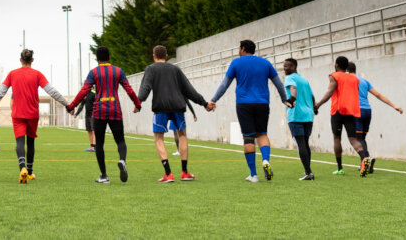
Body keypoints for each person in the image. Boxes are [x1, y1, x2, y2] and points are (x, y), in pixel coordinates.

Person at [207, 39, 290, 183]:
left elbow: (224, 84)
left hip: (244, 104)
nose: (238, 50)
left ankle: (254, 175)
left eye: (239, 48)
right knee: (262, 134)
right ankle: (265, 160)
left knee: (248, 138)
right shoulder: (265, 63)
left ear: (243, 48)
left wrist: (213, 100)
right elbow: (278, 83)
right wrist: (284, 99)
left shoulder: (236, 63)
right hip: (262, 103)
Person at [0, 49, 69, 183]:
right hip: (32, 114)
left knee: (19, 142)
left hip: (18, 114)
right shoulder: (37, 74)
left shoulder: (12, 74)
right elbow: (51, 91)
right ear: (32, 60)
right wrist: (66, 104)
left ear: (20, 60)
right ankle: (29, 172)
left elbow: (0, 93)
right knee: (30, 142)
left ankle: (22, 168)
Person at [67, 46, 141, 184]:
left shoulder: (93, 72)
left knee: (99, 143)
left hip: (99, 111)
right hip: (115, 110)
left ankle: (104, 175)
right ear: (109, 57)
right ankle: (122, 160)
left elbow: (84, 91)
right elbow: (129, 89)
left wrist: (72, 106)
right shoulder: (118, 71)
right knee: (120, 140)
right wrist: (137, 104)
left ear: (97, 58)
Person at [136, 45, 206, 183]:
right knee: (182, 135)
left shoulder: (151, 69)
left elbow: (145, 87)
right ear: (166, 56)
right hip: (178, 106)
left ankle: (168, 173)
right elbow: (189, 90)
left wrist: (138, 102)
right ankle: (185, 172)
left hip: (160, 107)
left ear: (154, 56)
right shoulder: (175, 69)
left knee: (159, 138)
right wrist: (204, 103)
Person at [313, 55, 371, 176]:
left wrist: (318, 104)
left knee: (337, 138)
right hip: (351, 111)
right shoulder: (354, 79)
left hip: (338, 111)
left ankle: (340, 168)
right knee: (353, 139)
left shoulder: (334, 76)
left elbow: (329, 92)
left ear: (337, 65)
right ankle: (364, 157)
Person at [347, 61, 402, 175]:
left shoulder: (348, 81)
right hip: (367, 111)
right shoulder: (364, 81)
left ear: (346, 71)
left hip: (357, 111)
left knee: (357, 139)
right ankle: (366, 164)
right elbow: (378, 95)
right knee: (361, 138)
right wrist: (394, 105)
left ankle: (367, 158)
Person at [283, 57, 317, 181]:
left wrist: (292, 98)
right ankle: (308, 171)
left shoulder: (289, 78)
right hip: (308, 115)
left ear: (294, 67)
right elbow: (312, 97)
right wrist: (314, 108)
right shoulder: (304, 80)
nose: (284, 68)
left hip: (296, 115)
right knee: (305, 143)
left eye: (287, 66)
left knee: (301, 144)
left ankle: (308, 173)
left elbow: (293, 88)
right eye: (284, 66)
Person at [73, 87, 96, 152]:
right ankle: (91, 146)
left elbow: (98, 104)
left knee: (94, 130)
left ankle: (95, 147)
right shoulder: (84, 95)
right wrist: (76, 114)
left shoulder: (94, 93)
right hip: (87, 115)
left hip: (93, 115)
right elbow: (81, 105)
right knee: (89, 130)